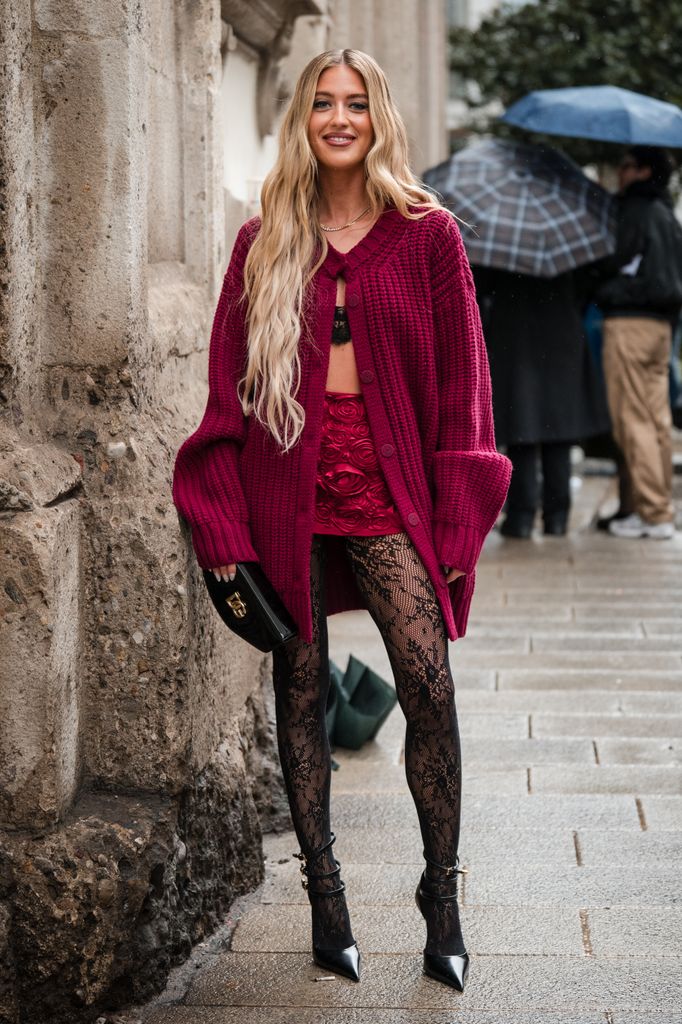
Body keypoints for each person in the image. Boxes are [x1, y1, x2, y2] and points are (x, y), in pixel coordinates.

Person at [171, 49, 510, 992]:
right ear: (302, 120)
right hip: (290, 498)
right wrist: (222, 535)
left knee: (428, 688)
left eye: (355, 103)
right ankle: (325, 892)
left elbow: (463, 401)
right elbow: (224, 408)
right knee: (302, 691)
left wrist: (452, 536)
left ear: (379, 117)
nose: (339, 117)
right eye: (322, 102)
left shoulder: (427, 236)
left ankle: (440, 892)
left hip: (386, 497)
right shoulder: (264, 241)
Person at [473, 266, 609, 538]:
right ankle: (556, 518)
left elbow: (482, 286)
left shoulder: (503, 243)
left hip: (515, 335)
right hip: (561, 335)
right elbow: (587, 287)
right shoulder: (569, 242)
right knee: (558, 433)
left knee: (521, 428)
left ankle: (521, 518)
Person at [594, 146, 682, 540]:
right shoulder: (665, 214)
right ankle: (651, 506)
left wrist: (601, 288)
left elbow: (618, 264)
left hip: (630, 322)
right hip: (662, 326)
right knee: (657, 420)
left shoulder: (633, 212)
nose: (620, 172)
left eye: (626, 165)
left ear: (644, 170)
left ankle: (653, 513)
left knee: (634, 421)